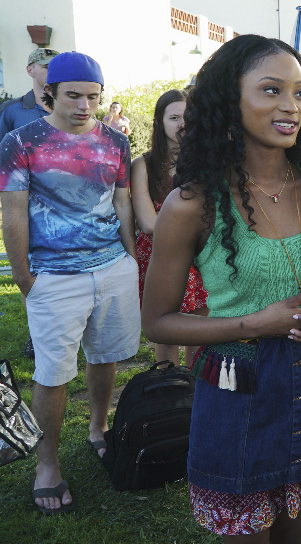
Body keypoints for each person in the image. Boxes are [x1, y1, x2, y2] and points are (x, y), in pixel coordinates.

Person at [141, 35, 301, 541]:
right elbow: (157, 321)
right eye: (270, 90)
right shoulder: (192, 204)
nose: (292, 106)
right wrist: (255, 324)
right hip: (236, 389)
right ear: (230, 100)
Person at [0, 51, 140, 514]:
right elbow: (13, 211)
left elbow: (121, 204)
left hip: (111, 267)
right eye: (74, 95)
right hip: (53, 275)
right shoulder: (22, 140)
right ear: (51, 94)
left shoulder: (117, 141)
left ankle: (98, 428)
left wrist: (131, 259)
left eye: (93, 96)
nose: (84, 105)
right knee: (53, 373)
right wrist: (24, 276)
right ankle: (48, 465)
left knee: (105, 356)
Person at [131, 89, 208, 367]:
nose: (182, 124)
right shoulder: (143, 165)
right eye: (174, 117)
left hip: (202, 253)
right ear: (159, 122)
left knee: (202, 332)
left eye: (188, 116)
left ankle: (196, 397)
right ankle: (172, 396)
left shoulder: (207, 162)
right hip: (161, 253)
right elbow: (149, 223)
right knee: (166, 334)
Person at [0, 47, 59, 360]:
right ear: (30, 70)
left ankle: (68, 330)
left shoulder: (69, 105)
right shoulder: (13, 111)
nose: (52, 71)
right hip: (25, 205)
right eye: (46, 65)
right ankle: (38, 336)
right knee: (28, 269)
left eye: (56, 65)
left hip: (63, 205)